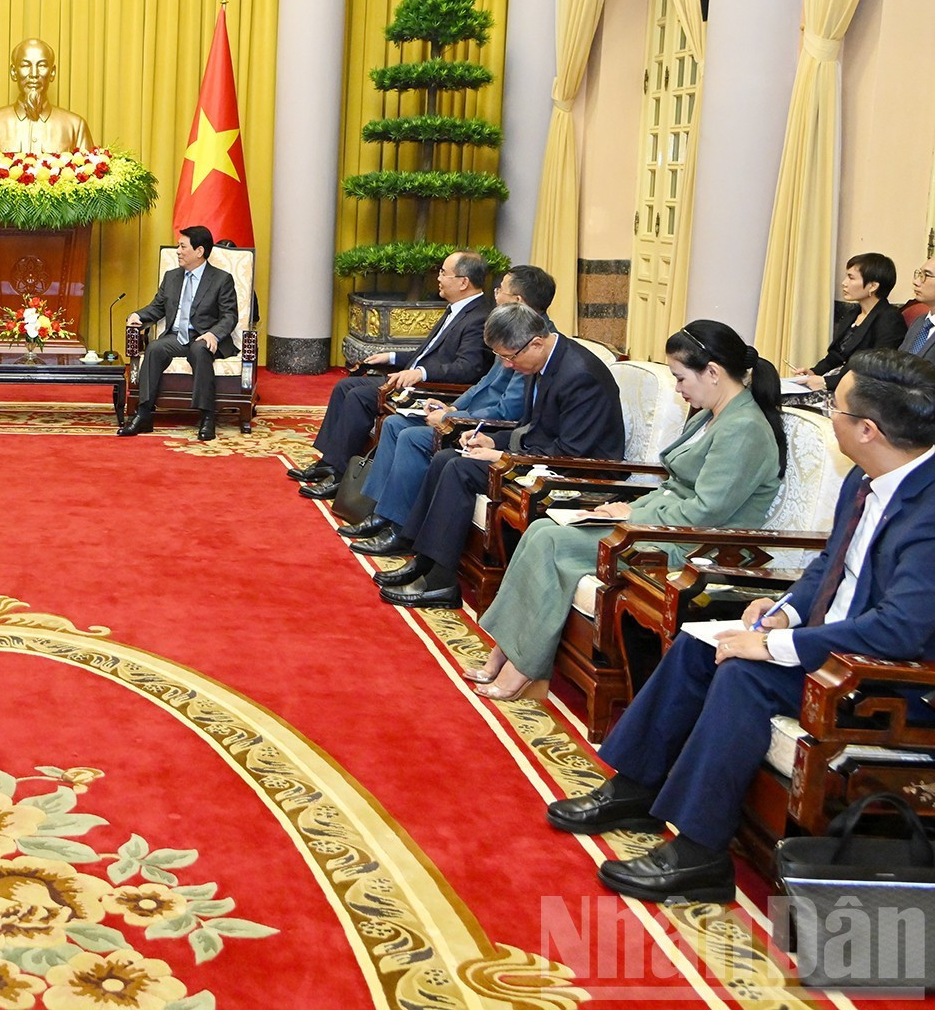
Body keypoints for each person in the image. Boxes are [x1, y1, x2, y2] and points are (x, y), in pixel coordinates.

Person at [550, 350, 935, 903]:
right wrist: (785, 611)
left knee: (743, 673)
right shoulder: (870, 476)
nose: (830, 416)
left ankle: (701, 854)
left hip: (892, 678)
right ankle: (635, 791)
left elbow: (901, 631)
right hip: (835, 645)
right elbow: (831, 563)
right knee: (697, 644)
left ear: (868, 430)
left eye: (836, 410)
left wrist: (777, 644)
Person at [471, 320, 786, 701]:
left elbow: (704, 512)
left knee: (552, 542)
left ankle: (522, 666)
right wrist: (622, 508)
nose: (679, 389)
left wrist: (631, 517)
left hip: (695, 546)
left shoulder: (744, 428)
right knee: (541, 530)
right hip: (660, 526)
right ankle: (505, 652)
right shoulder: (713, 413)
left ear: (713, 373)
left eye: (681, 378)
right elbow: (674, 487)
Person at [373, 303, 626, 609]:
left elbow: (571, 451)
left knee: (460, 469)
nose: (507, 365)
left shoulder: (581, 375)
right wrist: (489, 439)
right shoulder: (541, 360)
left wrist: (502, 455)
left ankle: (441, 582)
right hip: (543, 455)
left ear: (535, 342)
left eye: (510, 356)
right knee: (445, 458)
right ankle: (423, 559)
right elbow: (531, 429)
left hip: (578, 472)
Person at [340, 264, 554, 554]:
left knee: (412, 437)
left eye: (500, 290)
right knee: (394, 425)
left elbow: (508, 410)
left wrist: (453, 418)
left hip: (488, 428)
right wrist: (452, 406)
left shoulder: (531, 343)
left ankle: (400, 529)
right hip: (466, 416)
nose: (494, 294)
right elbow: (483, 384)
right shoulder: (513, 330)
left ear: (517, 300)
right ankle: (380, 513)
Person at [294, 252, 494, 499]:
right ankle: (329, 461)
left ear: (463, 282)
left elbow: (468, 368)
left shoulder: (479, 317)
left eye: (443, 273)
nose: (438, 278)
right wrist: (391, 357)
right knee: (345, 386)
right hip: (411, 378)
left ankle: (339, 473)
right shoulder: (455, 308)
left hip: (430, 388)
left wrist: (420, 372)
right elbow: (429, 351)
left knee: (359, 395)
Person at [118, 225, 239, 442]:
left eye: (183, 246)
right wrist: (139, 315)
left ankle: (207, 416)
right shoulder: (172, 276)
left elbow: (229, 316)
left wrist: (214, 334)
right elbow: (157, 307)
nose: (178, 251)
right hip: (176, 337)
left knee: (201, 350)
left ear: (199, 251)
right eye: (178, 246)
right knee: (154, 348)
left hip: (203, 336)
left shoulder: (221, 279)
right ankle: (144, 414)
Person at [797, 252, 908, 393]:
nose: (844, 283)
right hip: (837, 382)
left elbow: (875, 366)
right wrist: (814, 372)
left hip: (862, 391)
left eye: (851, 278)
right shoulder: (853, 314)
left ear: (873, 286)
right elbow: (835, 356)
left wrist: (826, 382)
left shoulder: (890, 319)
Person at [0, 38, 93, 154]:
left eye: (42, 65)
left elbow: (90, 174)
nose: (34, 74)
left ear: (52, 72)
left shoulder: (76, 126)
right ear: (13, 72)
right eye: (25, 65)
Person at [900, 257, 935, 362]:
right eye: (919, 274)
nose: (916, 282)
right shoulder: (919, 322)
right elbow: (898, 363)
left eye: (927, 275)